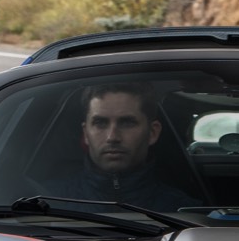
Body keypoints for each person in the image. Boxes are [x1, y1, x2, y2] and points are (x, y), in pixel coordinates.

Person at [57, 83, 200, 212]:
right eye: (100, 123)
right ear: (86, 134)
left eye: (127, 123)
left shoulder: (183, 210)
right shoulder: (47, 203)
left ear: (152, 132)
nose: (112, 137)